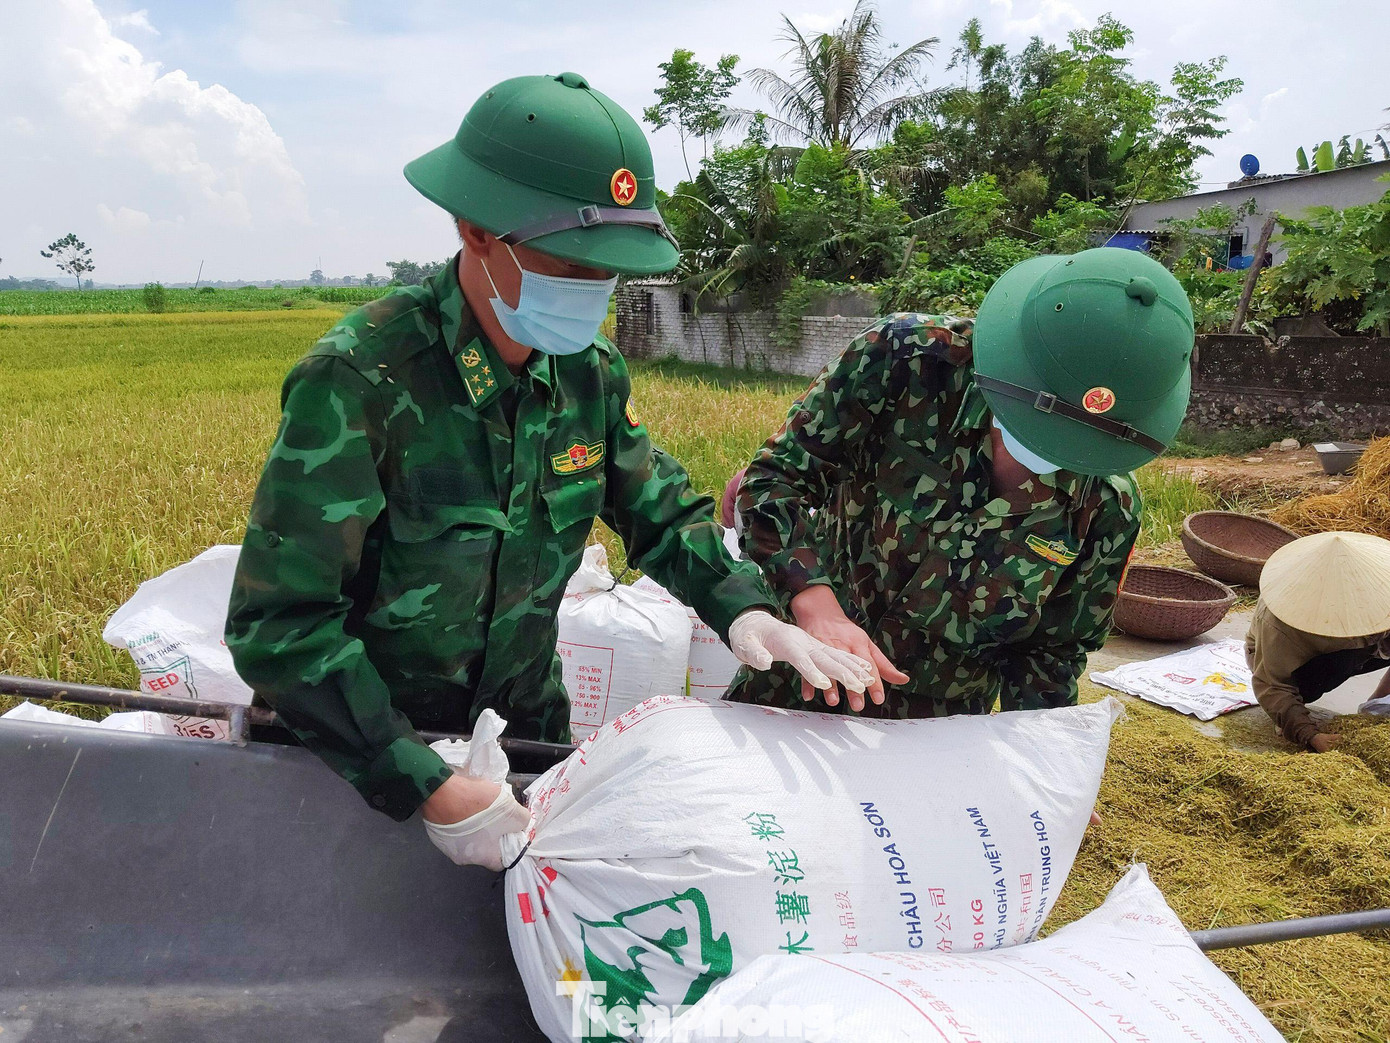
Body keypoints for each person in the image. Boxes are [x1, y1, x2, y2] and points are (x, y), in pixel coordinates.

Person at [225, 72, 871, 869]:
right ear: (478, 231)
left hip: (523, 741)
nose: (594, 292)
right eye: (572, 264)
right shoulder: (362, 381)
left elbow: (658, 511)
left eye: (610, 272)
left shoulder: (586, 372)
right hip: (359, 758)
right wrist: (423, 778)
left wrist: (748, 613)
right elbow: (280, 626)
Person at [727, 248, 1195, 717]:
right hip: (799, 681)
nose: (1042, 458)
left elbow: (1051, 654)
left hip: (941, 731)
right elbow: (774, 480)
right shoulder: (909, 360)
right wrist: (816, 608)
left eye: (1074, 445)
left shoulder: (1106, 507)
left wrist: (1036, 756)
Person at [1245, 530, 1390, 752]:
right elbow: (1272, 685)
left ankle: (1374, 704)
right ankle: (1288, 718)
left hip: (1360, 646)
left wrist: (1374, 706)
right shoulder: (1281, 621)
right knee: (1337, 665)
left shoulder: (1379, 589)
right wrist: (1310, 735)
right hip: (1307, 663)